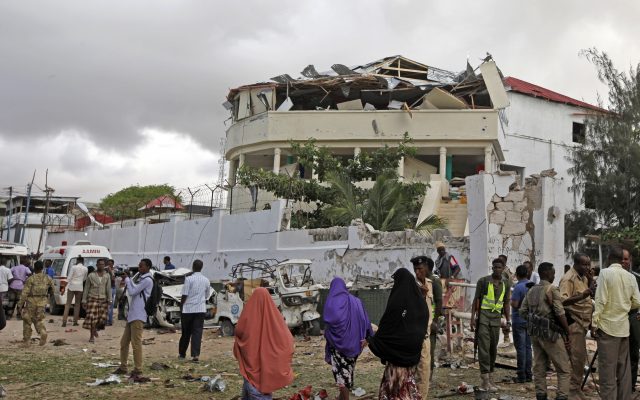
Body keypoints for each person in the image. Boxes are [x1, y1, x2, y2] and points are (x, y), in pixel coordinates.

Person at [367, 268, 428, 400]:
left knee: (395, 391)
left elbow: (388, 327)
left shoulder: (397, 301)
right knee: (406, 389)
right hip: (411, 358)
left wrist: (372, 339)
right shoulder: (421, 304)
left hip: (396, 360)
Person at [592, 246, 640, 400]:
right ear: (621, 260)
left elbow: (600, 301)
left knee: (607, 372)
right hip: (624, 328)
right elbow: (637, 302)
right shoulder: (630, 277)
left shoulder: (605, 273)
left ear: (608, 259)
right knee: (624, 371)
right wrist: (624, 307)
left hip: (607, 329)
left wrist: (594, 323)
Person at [519, 262, 571, 400]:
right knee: (564, 369)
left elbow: (522, 311)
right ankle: (562, 396)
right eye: (553, 273)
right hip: (551, 333)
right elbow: (560, 312)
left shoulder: (531, 290)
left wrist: (535, 319)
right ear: (547, 273)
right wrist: (567, 330)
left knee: (539, 368)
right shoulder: (552, 289)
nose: (554, 275)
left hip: (535, 333)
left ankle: (541, 395)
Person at [234, 287, 294, 399]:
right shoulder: (276, 319)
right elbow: (287, 342)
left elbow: (239, 330)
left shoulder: (247, 315)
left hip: (250, 376)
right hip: (265, 383)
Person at [323, 277, 373, 400]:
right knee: (347, 371)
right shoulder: (356, 301)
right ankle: (341, 397)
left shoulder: (331, 302)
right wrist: (368, 337)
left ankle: (345, 398)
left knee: (341, 375)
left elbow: (328, 323)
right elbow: (365, 321)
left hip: (338, 347)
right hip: (355, 344)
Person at [470, 258, 511, 392]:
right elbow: (476, 300)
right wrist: (472, 318)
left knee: (493, 348)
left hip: (496, 320)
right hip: (483, 318)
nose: (497, 270)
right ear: (492, 268)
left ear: (503, 268)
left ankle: (491, 379)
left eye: (499, 267)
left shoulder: (506, 282)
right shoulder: (483, 281)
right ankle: (484, 380)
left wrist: (508, 320)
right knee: (484, 348)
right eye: (495, 267)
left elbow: (506, 303)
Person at [558, 252, 593, 399]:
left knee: (579, 360)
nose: (587, 267)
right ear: (576, 264)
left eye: (588, 264)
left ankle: (576, 389)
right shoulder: (568, 279)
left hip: (583, 323)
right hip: (574, 322)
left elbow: (588, 294)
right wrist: (582, 296)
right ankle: (572, 391)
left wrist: (590, 280)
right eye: (584, 264)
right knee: (576, 359)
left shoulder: (583, 277)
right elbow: (562, 302)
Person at [113, 258, 153, 377]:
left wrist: (128, 280)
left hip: (139, 315)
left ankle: (138, 369)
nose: (139, 268)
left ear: (148, 267)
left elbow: (132, 291)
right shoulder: (142, 279)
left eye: (141, 266)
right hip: (133, 314)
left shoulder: (147, 280)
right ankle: (123, 367)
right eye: (139, 266)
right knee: (124, 342)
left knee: (136, 344)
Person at [410, 256, 436, 398]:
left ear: (427, 269)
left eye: (420, 269)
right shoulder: (411, 285)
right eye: (415, 269)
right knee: (411, 370)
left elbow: (433, 305)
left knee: (424, 371)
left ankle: (422, 397)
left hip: (425, 334)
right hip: (413, 334)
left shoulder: (430, 284)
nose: (417, 272)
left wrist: (435, 321)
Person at [179, 259, 211, 362]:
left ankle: (182, 353)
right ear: (201, 267)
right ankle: (195, 355)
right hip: (200, 309)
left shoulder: (189, 279)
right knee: (197, 332)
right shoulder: (206, 280)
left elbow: (184, 294)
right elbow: (207, 295)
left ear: (193, 266)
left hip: (188, 309)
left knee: (186, 333)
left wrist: (181, 305)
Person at [18, 261, 55, 346]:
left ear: (34, 268)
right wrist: (47, 296)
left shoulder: (31, 279)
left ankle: (27, 341)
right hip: (42, 302)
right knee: (39, 320)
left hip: (31, 302)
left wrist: (20, 305)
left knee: (27, 321)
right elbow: (53, 290)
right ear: (42, 268)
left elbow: (24, 293)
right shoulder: (48, 278)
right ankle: (42, 332)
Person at [510, 264, 532, 383]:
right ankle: (529, 374)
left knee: (521, 348)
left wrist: (510, 301)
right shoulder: (532, 286)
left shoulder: (518, 287)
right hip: (530, 320)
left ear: (517, 275)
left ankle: (521, 375)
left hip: (519, 320)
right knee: (528, 348)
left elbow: (515, 304)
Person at [81, 258, 111, 343]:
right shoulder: (91, 275)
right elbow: (86, 288)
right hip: (92, 298)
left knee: (101, 319)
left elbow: (108, 288)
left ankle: (95, 330)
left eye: (102, 264)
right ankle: (91, 336)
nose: (101, 266)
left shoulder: (107, 275)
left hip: (103, 299)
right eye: (99, 264)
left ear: (104, 265)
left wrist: (110, 300)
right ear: (96, 265)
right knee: (92, 318)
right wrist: (84, 300)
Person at [626, 250, 640, 392]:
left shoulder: (635, 277)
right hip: (621, 317)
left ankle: (630, 385)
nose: (625, 261)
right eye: (622, 259)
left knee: (634, 353)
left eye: (627, 259)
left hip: (634, 317)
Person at [62, 256, 88, 327]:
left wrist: (64, 287)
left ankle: (64, 321)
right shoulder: (85, 269)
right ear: (83, 262)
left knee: (68, 304)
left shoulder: (73, 267)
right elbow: (84, 278)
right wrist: (79, 281)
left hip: (72, 286)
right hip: (79, 287)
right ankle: (75, 321)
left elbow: (69, 277)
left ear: (77, 261)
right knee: (77, 305)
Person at [106, 259, 116, 326]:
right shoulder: (105, 271)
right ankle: (109, 320)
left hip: (112, 288)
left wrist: (110, 271)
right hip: (108, 288)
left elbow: (113, 279)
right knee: (108, 305)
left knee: (110, 305)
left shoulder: (114, 271)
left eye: (110, 264)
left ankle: (109, 321)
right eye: (108, 264)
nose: (109, 265)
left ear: (113, 264)